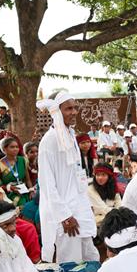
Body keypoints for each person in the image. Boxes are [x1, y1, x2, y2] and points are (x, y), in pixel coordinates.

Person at [37, 93, 99, 263]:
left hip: (79, 207)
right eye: (68, 108)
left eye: (75, 108)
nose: (74, 112)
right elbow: (47, 184)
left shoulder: (70, 134)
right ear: (57, 111)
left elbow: (76, 175)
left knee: (90, 258)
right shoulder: (49, 141)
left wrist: (86, 203)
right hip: (66, 214)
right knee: (71, 262)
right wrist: (64, 215)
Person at [0, 137, 34, 207]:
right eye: (12, 147)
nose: (15, 149)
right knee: (20, 202)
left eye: (17, 147)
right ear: (4, 149)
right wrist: (10, 188)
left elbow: (27, 179)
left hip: (24, 190)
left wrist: (31, 190)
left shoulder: (23, 160)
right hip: (9, 193)